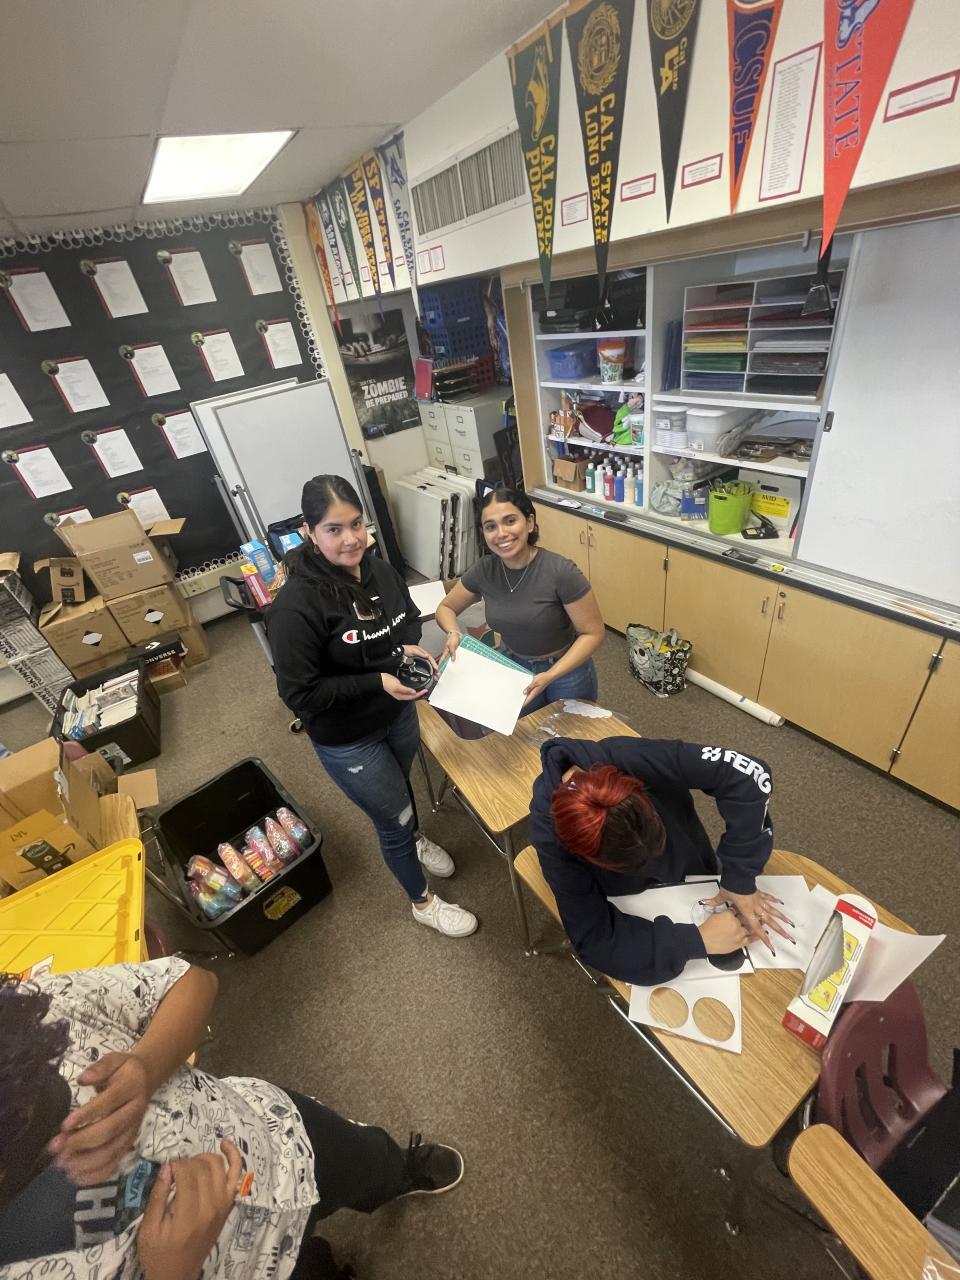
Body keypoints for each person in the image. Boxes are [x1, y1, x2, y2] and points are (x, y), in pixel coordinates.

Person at [0, 959, 464, 1280]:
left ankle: (396, 1173)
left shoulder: (27, 1015)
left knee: (368, 1160)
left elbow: (191, 981)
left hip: (279, 1137)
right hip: (240, 1267)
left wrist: (145, 1065)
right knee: (306, 1266)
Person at [266, 475, 477, 939]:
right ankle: (423, 902)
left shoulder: (379, 570)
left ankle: (415, 838)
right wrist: (376, 680)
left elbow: (406, 623)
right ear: (308, 531)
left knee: (400, 788)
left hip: (397, 712)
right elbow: (299, 695)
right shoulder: (295, 607)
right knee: (392, 818)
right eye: (334, 529)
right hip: (348, 736)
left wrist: (404, 651)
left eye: (357, 524)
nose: (351, 539)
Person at [529, 737, 794, 986]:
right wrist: (696, 940)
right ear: (585, 855)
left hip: (694, 865)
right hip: (630, 899)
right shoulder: (550, 836)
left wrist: (739, 877)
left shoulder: (631, 757)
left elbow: (750, 774)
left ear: (638, 789)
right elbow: (594, 939)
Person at [435, 487, 604, 713]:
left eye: (510, 521)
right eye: (491, 526)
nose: (501, 533)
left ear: (530, 522)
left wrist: (551, 675)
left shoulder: (561, 571)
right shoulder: (484, 570)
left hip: (565, 669)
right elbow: (446, 607)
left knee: (571, 731)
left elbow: (593, 634)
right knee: (525, 730)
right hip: (514, 666)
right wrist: (453, 632)